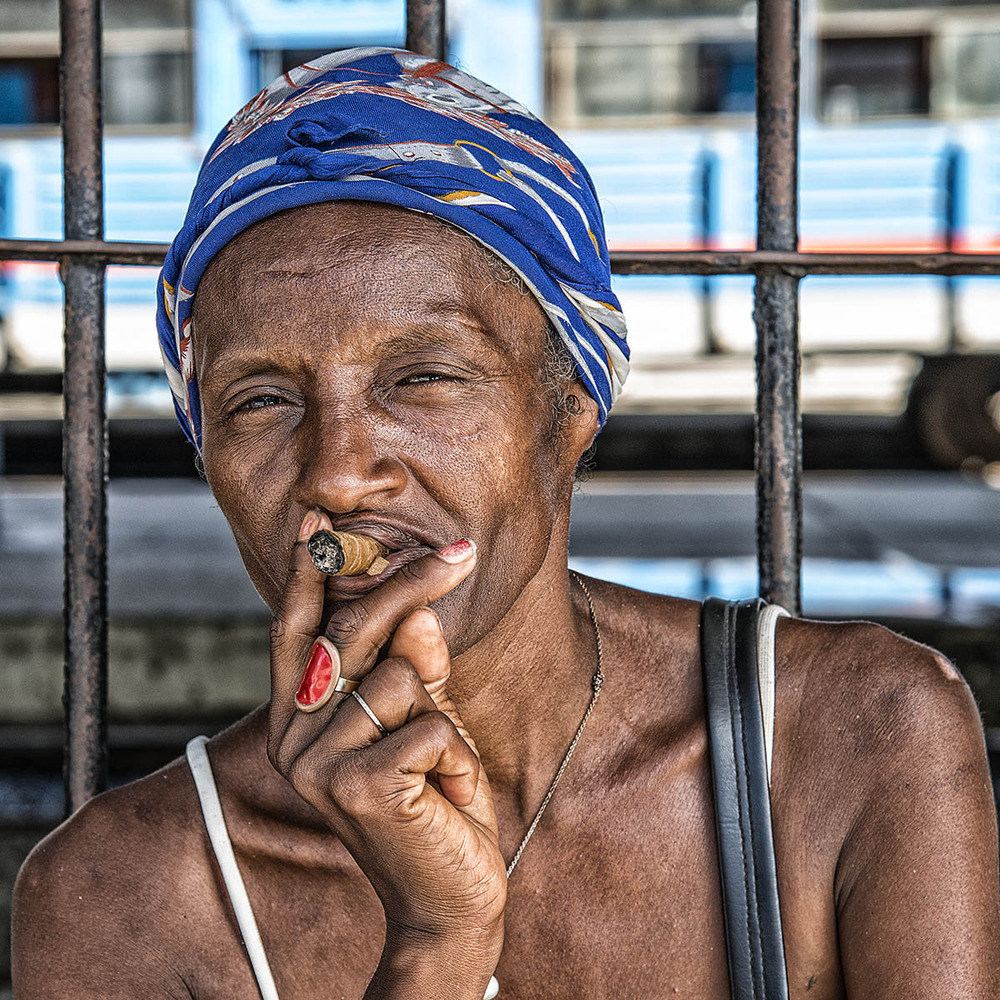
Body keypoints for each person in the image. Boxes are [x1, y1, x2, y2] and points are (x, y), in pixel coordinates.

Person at [12, 47, 1000, 999]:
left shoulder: (857, 737)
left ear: (569, 406)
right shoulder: (118, 900)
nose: (342, 472)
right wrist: (436, 943)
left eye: (423, 378)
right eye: (262, 400)